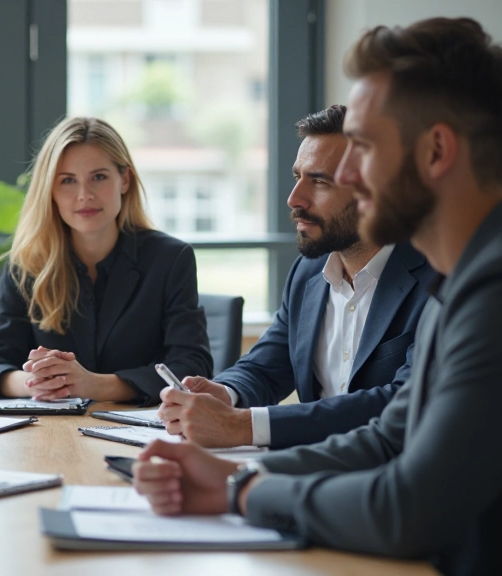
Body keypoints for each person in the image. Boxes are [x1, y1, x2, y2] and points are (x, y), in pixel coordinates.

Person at [133, 17, 502, 574]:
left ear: (436, 151)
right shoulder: (460, 278)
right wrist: (236, 476)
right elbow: (387, 440)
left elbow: (406, 508)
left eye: (363, 147)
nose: (352, 177)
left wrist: (243, 493)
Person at [157, 105, 435, 449]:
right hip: (312, 469)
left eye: (319, 181)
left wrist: (243, 426)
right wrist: (225, 394)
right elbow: (267, 366)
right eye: (296, 177)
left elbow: (400, 403)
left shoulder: (437, 278)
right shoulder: (308, 273)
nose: (294, 199)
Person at [0, 117, 213, 405]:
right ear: (50, 190)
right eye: (68, 181)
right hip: (51, 434)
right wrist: (38, 381)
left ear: (124, 179)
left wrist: (95, 385)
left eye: (99, 177)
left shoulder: (171, 259)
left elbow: (192, 366)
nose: (84, 195)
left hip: (141, 432)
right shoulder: (26, 263)